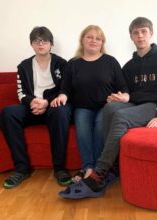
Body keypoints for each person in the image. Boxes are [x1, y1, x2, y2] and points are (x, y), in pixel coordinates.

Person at [59, 17, 157, 199]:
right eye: (136, 32)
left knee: (120, 117)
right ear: (131, 36)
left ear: (151, 33)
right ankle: (113, 167)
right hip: (135, 105)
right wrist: (122, 97)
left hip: (154, 106)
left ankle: (99, 172)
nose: (140, 36)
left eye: (144, 31)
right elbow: (127, 92)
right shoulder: (129, 66)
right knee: (110, 108)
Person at [51, 25, 128, 183]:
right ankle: (88, 167)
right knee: (83, 130)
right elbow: (65, 88)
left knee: (100, 127)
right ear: (82, 40)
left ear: (102, 43)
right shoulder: (73, 64)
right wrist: (62, 96)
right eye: (90, 37)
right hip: (82, 107)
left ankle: (98, 168)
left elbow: (124, 88)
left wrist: (123, 96)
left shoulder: (111, 62)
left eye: (98, 38)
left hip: (105, 107)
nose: (94, 40)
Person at [0, 26, 72, 189]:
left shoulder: (62, 63)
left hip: (53, 105)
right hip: (32, 106)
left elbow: (66, 89)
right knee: (7, 113)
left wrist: (47, 101)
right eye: (36, 41)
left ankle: (59, 169)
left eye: (44, 41)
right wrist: (32, 102)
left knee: (61, 112)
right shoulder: (23, 66)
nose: (40, 45)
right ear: (31, 44)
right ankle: (22, 169)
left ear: (51, 44)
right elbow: (20, 92)